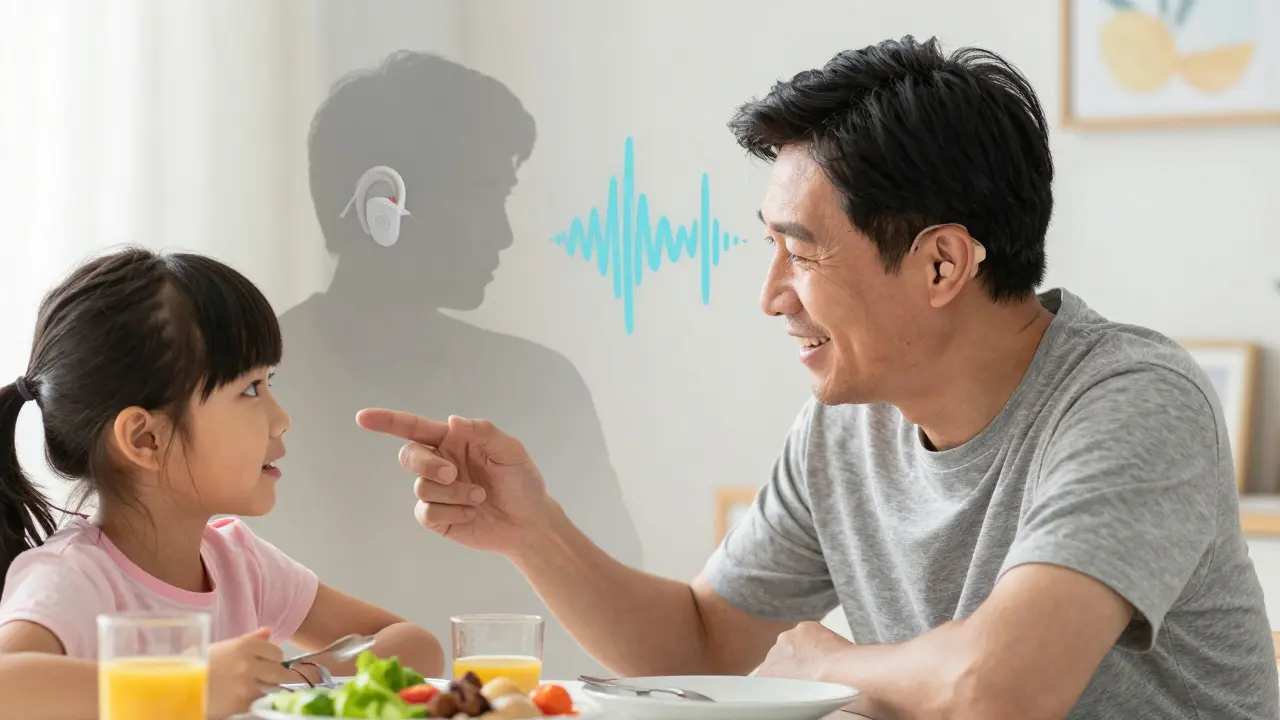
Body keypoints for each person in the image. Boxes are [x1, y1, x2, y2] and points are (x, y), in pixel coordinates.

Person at [357, 36, 1279, 719]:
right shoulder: (850, 422)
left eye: (800, 254)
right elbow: (701, 644)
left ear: (941, 266)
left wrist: (833, 666)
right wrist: (533, 531)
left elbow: (1000, 691)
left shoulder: (1130, 400)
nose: (770, 297)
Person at [248, 50, 642, 678]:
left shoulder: (543, 388)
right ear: (384, 203)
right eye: (486, 196)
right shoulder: (242, 393)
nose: (505, 233)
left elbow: (629, 636)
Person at [0, 247, 443, 720]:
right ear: (146, 438)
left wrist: (292, 680)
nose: (281, 419)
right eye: (250, 389)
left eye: (269, 381)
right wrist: (190, 685)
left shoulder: (239, 564)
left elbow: (413, 646)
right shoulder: (76, 577)